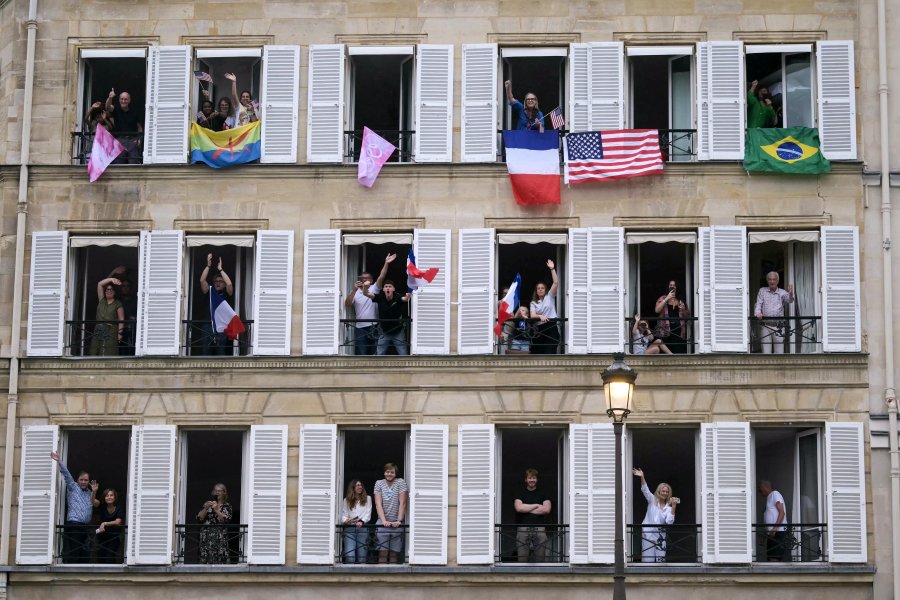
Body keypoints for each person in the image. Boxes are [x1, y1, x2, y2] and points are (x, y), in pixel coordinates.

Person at [50, 451, 100, 564]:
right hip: (74, 526)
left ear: (89, 482)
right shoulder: (73, 487)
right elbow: (67, 475)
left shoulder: (89, 493)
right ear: (77, 480)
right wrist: (60, 462)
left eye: (86, 480)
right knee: (74, 554)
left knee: (85, 554)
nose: (83, 482)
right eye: (81, 479)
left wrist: (94, 491)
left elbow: (96, 503)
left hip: (86, 527)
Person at [344, 254, 394, 355]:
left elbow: (382, 276)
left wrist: (386, 263)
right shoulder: (355, 291)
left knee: (376, 353)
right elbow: (348, 304)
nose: (364, 280)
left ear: (371, 280)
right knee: (362, 353)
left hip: (374, 326)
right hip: (360, 327)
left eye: (366, 278)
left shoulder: (374, 288)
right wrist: (354, 290)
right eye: (362, 278)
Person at [633, 468, 678, 563]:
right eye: (663, 491)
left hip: (661, 537)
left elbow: (669, 522)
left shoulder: (668, 508)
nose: (665, 493)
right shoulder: (652, 500)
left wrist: (673, 507)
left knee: (660, 561)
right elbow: (645, 490)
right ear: (659, 491)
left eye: (667, 492)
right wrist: (642, 477)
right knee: (647, 560)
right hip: (648, 535)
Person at [199, 254, 235, 355]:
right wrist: (208, 266)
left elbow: (229, 284)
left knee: (221, 353)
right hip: (208, 325)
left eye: (220, 281)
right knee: (206, 353)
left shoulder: (227, 294)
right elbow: (202, 280)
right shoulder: (209, 291)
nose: (217, 283)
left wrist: (220, 269)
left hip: (221, 326)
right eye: (216, 281)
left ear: (223, 284)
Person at [514, 468, 551, 562]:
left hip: (540, 529)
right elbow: (519, 508)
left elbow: (546, 509)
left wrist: (526, 508)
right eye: (529, 478)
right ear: (526, 480)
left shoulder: (543, 493)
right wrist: (537, 505)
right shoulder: (519, 493)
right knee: (522, 559)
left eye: (534, 478)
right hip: (523, 529)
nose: (532, 480)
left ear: (537, 480)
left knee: (540, 559)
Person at [374, 462, 408, 563]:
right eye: (387, 472)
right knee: (383, 552)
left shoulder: (400, 482)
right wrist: (384, 521)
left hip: (396, 524)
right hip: (382, 523)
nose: (389, 474)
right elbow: (378, 504)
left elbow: (403, 503)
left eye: (392, 472)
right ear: (384, 473)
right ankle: (381, 578)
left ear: (395, 473)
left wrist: (399, 520)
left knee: (394, 553)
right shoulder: (379, 483)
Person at [754, 271, 795, 354]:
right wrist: (758, 313)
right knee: (766, 353)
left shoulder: (782, 292)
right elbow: (758, 304)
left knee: (779, 353)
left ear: (778, 281)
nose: (772, 281)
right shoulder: (762, 291)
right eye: (770, 279)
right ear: (767, 281)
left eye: (774, 279)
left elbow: (790, 300)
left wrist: (791, 294)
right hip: (765, 326)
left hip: (778, 327)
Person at [366, 280, 411, 356]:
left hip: (398, 331)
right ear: (383, 289)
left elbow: (404, 299)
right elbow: (366, 294)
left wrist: (408, 296)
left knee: (403, 353)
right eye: (386, 287)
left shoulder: (398, 296)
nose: (388, 288)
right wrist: (364, 287)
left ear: (393, 289)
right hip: (384, 331)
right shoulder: (380, 297)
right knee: (379, 353)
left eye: (390, 287)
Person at [104, 88, 144, 164]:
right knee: (118, 163)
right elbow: (107, 107)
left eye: (126, 99)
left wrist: (139, 139)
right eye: (121, 99)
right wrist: (110, 97)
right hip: (119, 140)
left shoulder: (134, 112)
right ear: (119, 100)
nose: (123, 101)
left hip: (132, 141)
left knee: (133, 162)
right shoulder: (116, 109)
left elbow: (139, 127)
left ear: (129, 100)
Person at [197, 483, 233, 564]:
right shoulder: (207, 504)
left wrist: (216, 510)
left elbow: (226, 520)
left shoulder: (227, 505)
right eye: (215, 490)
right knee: (206, 558)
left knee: (220, 558)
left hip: (220, 536)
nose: (217, 492)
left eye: (219, 490)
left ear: (224, 492)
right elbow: (199, 519)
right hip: (206, 536)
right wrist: (205, 508)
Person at [529, 259, 559, 354]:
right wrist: (540, 316)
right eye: (538, 288)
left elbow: (556, 283)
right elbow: (532, 316)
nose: (540, 290)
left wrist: (552, 269)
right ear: (536, 291)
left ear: (545, 290)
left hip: (551, 327)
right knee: (537, 353)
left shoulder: (549, 296)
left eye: (542, 288)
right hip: (539, 329)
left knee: (550, 352)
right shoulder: (533, 303)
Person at [89, 276, 125, 356]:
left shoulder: (118, 304)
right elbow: (100, 284)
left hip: (111, 330)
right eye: (107, 289)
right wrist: (111, 279)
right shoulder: (101, 300)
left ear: (115, 292)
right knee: (95, 350)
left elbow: (121, 319)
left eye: (111, 289)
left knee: (108, 352)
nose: (109, 291)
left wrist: (120, 333)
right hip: (98, 329)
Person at [341, 479, 372, 564]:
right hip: (350, 529)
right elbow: (344, 514)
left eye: (361, 485)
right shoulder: (346, 500)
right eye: (358, 485)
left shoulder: (368, 498)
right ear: (353, 487)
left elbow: (368, 514)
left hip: (363, 529)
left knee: (362, 558)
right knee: (350, 557)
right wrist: (346, 520)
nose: (360, 487)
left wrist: (362, 521)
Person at [654, 280, 691, 353]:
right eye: (670, 285)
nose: (672, 286)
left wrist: (683, 309)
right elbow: (657, 310)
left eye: (674, 285)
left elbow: (687, 317)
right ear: (668, 287)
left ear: (677, 287)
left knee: (678, 351)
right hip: (665, 331)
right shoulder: (663, 298)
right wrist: (667, 298)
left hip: (678, 331)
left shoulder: (680, 300)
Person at [759, 479, 790, 561]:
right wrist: (765, 535)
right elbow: (769, 519)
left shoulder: (775, 494)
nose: (760, 491)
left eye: (760, 488)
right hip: (772, 534)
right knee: (770, 559)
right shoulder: (769, 498)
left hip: (778, 533)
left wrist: (775, 528)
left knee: (774, 559)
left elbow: (782, 512)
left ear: (765, 487)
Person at [95, 488, 125, 564]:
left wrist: (105, 523)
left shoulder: (119, 508)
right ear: (104, 498)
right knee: (101, 557)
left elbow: (118, 522)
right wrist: (94, 491)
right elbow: (93, 502)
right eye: (107, 495)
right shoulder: (102, 507)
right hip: (102, 537)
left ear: (115, 497)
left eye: (111, 495)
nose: (109, 497)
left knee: (110, 557)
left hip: (114, 537)